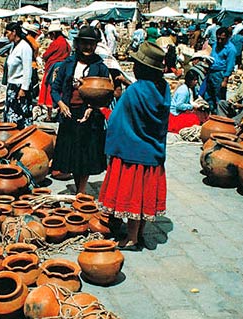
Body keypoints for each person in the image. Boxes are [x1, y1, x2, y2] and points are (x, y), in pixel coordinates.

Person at [99, 42, 170, 251]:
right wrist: (129, 83)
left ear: (142, 68)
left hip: (131, 153)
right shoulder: (163, 88)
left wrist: (103, 108)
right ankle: (140, 232)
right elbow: (146, 97)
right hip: (153, 152)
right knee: (144, 197)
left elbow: (117, 120)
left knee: (132, 197)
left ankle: (132, 239)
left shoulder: (134, 92)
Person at [51, 26, 110, 194]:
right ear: (77, 44)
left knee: (84, 156)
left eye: (91, 44)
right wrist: (61, 104)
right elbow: (54, 88)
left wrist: (92, 107)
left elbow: (106, 93)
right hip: (69, 113)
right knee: (73, 155)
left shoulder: (100, 67)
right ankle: (79, 189)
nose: (88, 47)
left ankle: (81, 191)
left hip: (88, 116)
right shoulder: (67, 64)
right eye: (84, 43)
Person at [38, 21, 71, 122]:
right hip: (63, 68)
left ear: (53, 33)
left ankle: (49, 115)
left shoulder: (56, 43)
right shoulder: (65, 42)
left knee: (49, 88)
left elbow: (46, 55)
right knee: (61, 89)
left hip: (52, 68)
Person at [3, 22, 33, 129]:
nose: (6, 35)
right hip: (12, 85)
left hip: (20, 87)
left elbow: (27, 69)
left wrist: (24, 88)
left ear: (14, 32)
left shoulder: (25, 47)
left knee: (20, 114)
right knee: (10, 114)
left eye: (7, 33)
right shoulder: (13, 47)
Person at [204, 27, 236, 113]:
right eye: (218, 38)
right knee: (208, 94)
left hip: (220, 73)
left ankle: (219, 114)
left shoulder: (231, 49)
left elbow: (230, 65)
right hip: (211, 71)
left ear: (227, 38)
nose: (220, 41)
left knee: (218, 96)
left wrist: (225, 80)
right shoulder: (215, 45)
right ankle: (210, 112)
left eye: (222, 39)